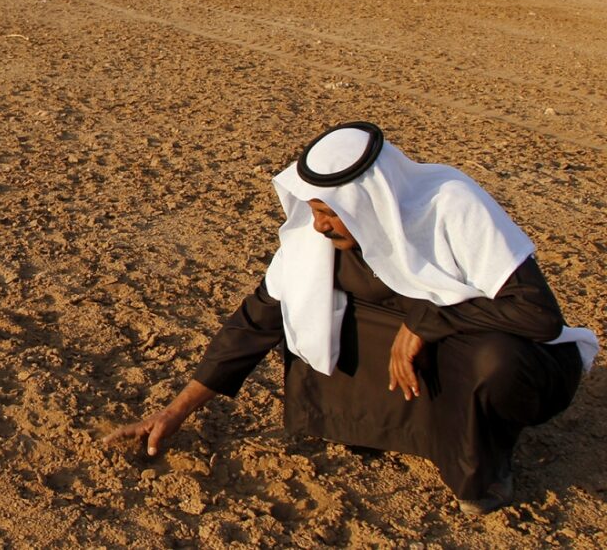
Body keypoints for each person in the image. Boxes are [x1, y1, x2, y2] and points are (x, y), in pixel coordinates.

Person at [106, 122, 598, 515]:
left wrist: (427, 320)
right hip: (419, 357)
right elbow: (254, 324)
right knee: (316, 310)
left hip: (515, 360)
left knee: (497, 360)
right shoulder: (316, 241)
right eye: (315, 209)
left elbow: (537, 315)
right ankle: (388, 427)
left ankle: (487, 464)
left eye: (332, 213)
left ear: (369, 204)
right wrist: (175, 411)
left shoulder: (449, 204)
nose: (319, 225)